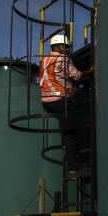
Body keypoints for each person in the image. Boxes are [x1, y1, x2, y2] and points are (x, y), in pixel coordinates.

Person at [40, 34, 92, 166]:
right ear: (58, 46)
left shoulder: (45, 59)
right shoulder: (63, 58)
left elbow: (57, 76)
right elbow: (76, 75)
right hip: (60, 101)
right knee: (71, 133)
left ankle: (66, 152)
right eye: (66, 46)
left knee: (65, 127)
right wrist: (90, 70)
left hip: (46, 102)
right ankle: (73, 167)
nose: (68, 49)